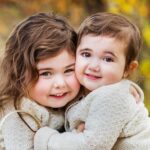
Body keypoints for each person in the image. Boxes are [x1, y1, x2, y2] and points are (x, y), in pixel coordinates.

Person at [34, 12, 150, 150]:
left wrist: (46, 138)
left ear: (128, 69)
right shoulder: (81, 89)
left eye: (107, 59)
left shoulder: (114, 97)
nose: (94, 66)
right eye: (86, 54)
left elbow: (92, 146)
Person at [0, 12, 81, 150]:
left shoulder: (76, 98)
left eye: (69, 70)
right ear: (19, 74)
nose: (61, 83)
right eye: (46, 73)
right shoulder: (20, 112)